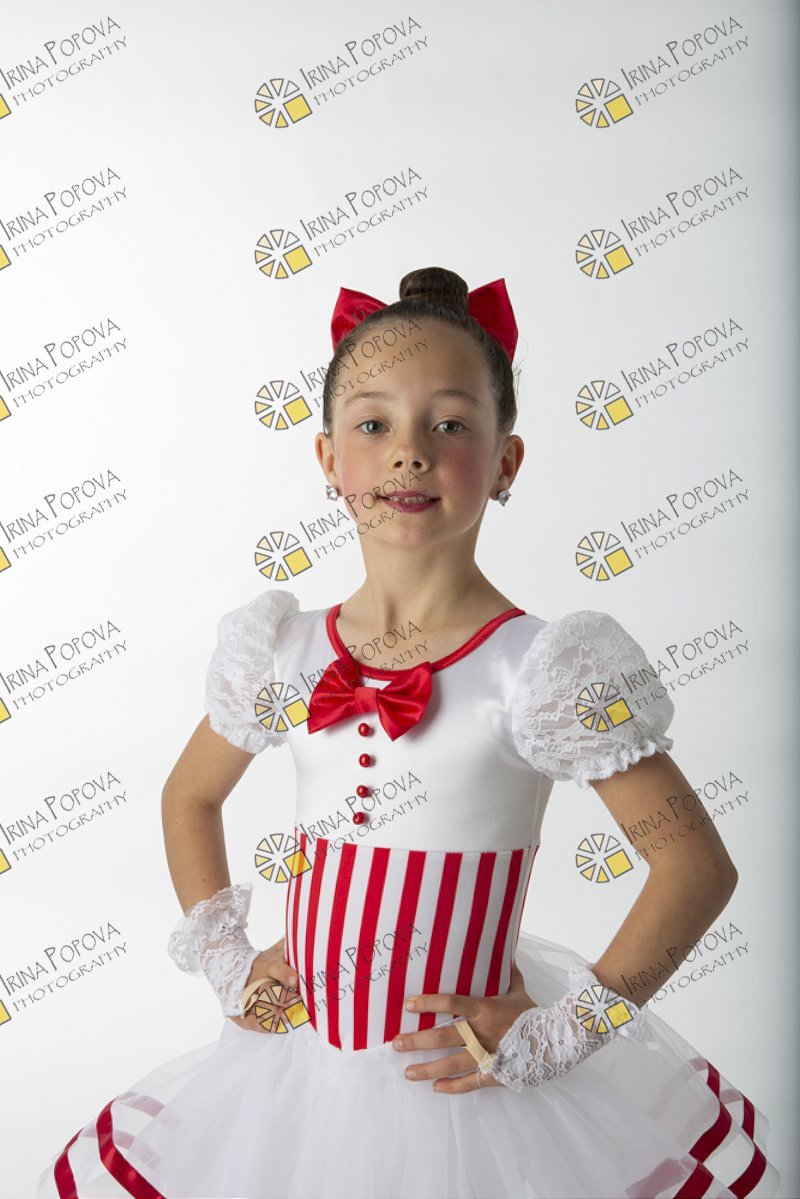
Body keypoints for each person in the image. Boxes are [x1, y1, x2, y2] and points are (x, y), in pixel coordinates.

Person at [36, 267, 780, 1199]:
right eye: (373, 424)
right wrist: (229, 964)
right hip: (296, 1074)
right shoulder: (284, 650)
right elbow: (190, 794)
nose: (409, 454)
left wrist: (564, 1030)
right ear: (327, 459)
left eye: (452, 425)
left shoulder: (544, 670)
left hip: (466, 1092)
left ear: (507, 462)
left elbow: (694, 865)